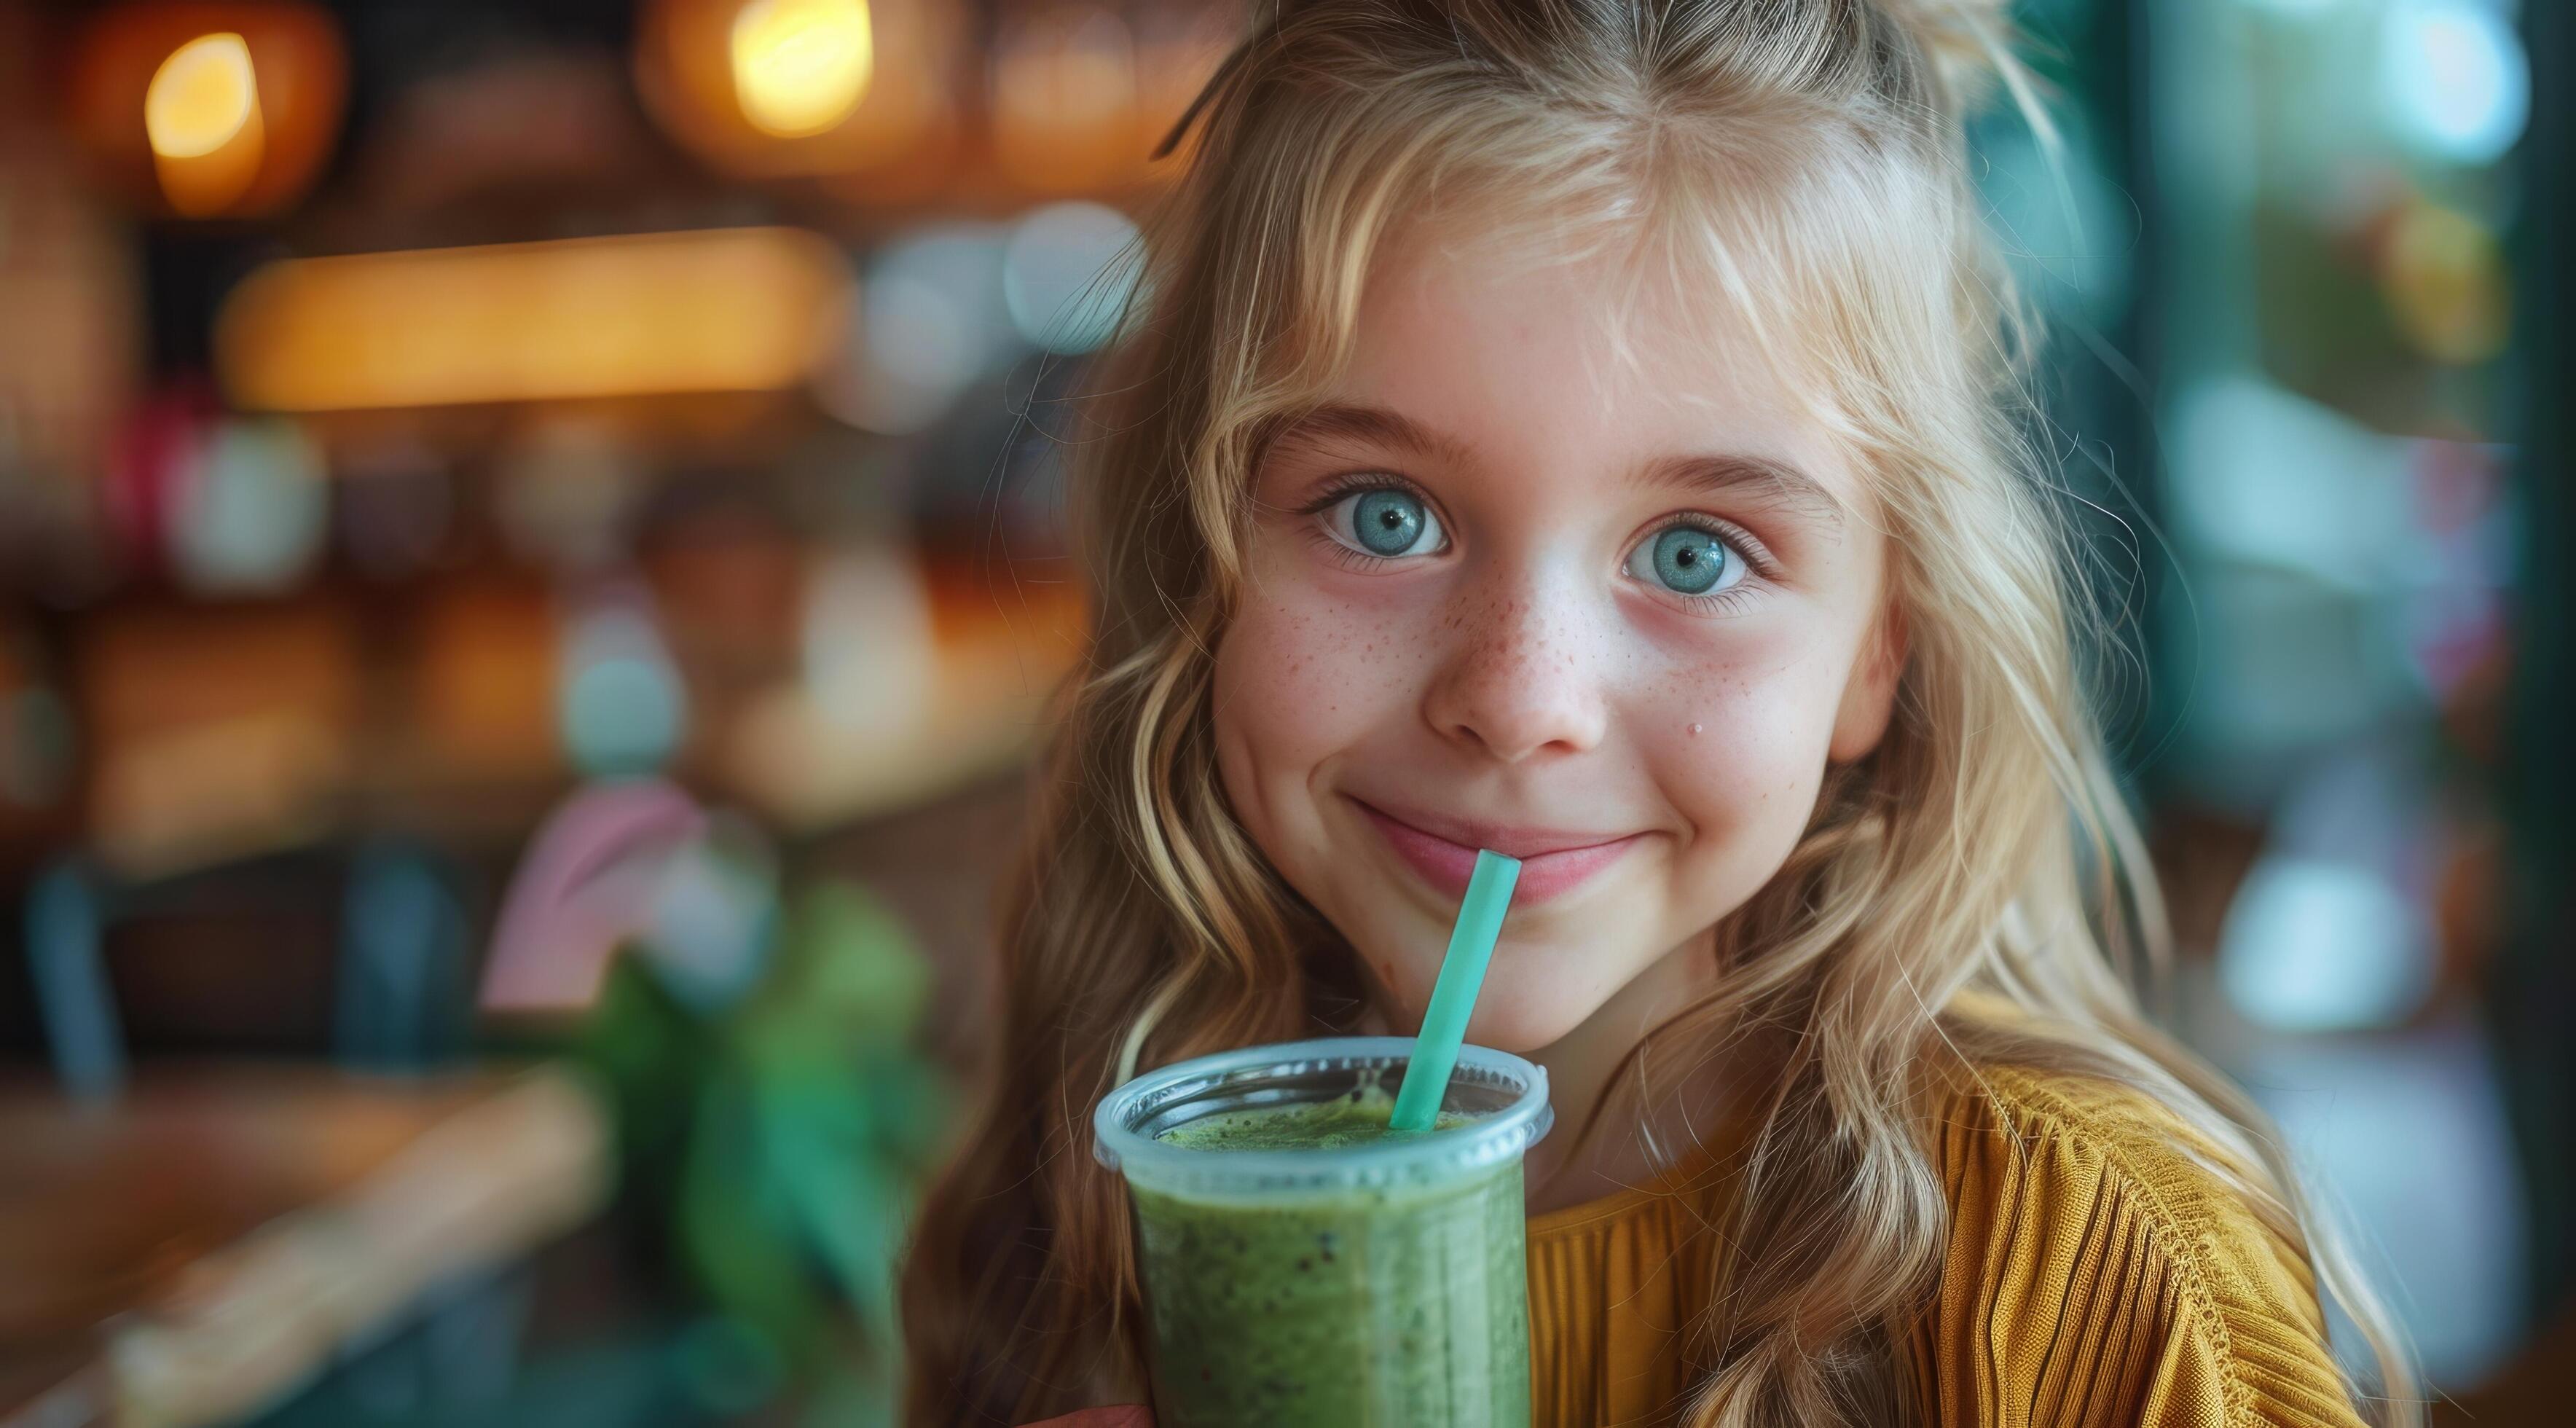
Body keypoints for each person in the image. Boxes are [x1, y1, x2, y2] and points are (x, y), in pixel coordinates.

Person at [900, 0, 2421, 1424]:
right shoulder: (1122, 1192)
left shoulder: (2084, 1272)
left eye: (1695, 552)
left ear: (1877, 647)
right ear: (1205, 559)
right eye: (1378, 515)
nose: (1517, 700)